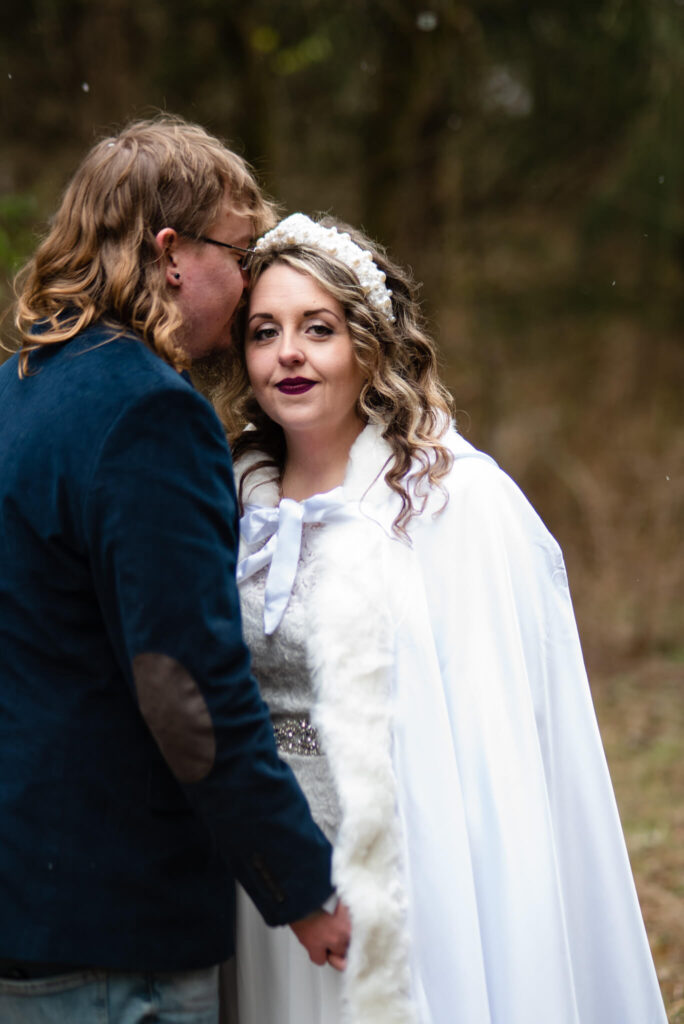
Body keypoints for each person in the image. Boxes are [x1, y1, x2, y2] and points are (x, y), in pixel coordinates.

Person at [208, 212, 668, 1023]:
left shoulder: (451, 499)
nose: (289, 354)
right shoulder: (230, 503)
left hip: (416, 865)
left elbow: (500, 741)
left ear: (368, 344)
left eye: (318, 329)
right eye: (264, 331)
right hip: (271, 873)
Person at [0, 121, 350, 1024]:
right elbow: (186, 691)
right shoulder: (150, 417)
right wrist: (302, 887)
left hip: (26, 897)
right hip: (114, 928)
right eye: (240, 254)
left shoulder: (19, 389)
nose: (246, 289)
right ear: (171, 254)